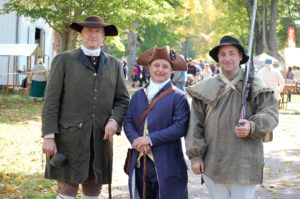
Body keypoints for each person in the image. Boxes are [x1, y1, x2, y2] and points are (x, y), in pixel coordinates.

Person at [41, 16, 130, 199]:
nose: (93, 34)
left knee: (93, 189)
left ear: (104, 35)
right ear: (81, 33)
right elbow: (51, 101)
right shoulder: (63, 60)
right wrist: (48, 136)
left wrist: (114, 121)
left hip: (100, 139)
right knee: (66, 188)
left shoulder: (113, 64)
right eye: (89, 30)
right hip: (68, 138)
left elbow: (123, 100)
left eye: (98, 31)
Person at [185, 35, 279, 199]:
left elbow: (271, 114)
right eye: (223, 54)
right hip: (213, 163)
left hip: (245, 164)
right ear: (218, 58)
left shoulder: (257, 86)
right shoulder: (205, 88)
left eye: (232, 53)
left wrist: (252, 126)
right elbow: (195, 125)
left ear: (240, 56)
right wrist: (196, 157)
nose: (227, 58)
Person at [124, 46, 190, 199]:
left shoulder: (178, 97)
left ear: (171, 70)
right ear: (148, 67)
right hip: (140, 161)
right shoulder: (138, 95)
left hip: (168, 163)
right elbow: (128, 121)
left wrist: (150, 139)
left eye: (165, 66)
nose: (160, 69)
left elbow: (180, 127)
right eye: (156, 65)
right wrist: (137, 141)